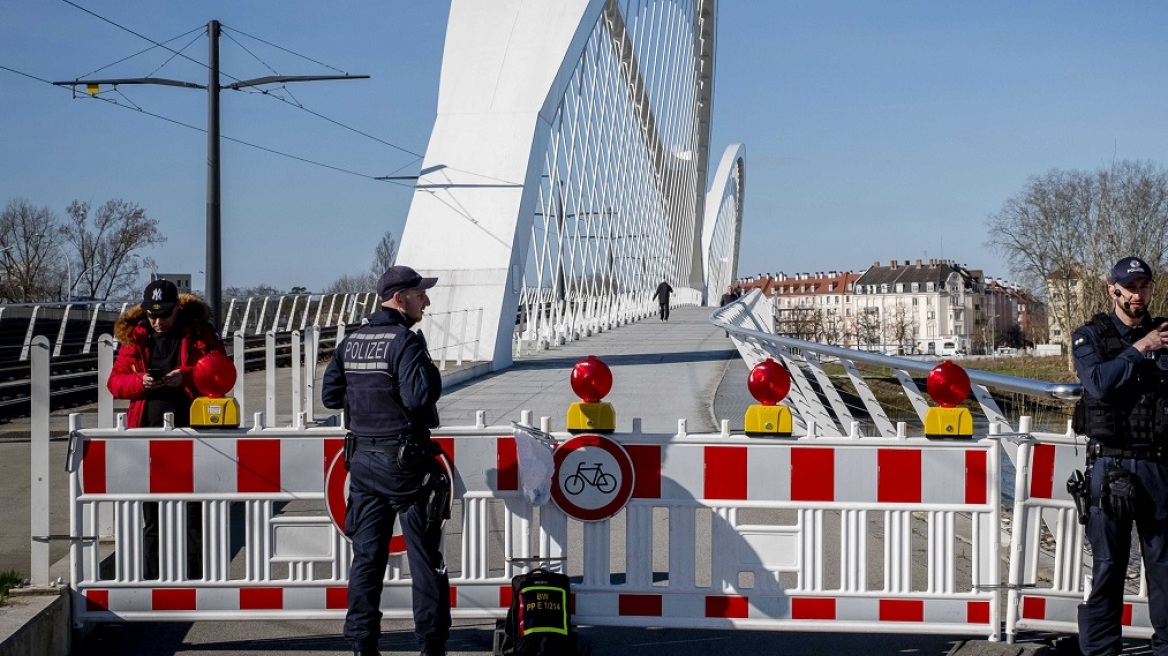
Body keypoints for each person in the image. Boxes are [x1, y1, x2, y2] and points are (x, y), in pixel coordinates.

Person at [322, 265, 449, 656]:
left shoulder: (351, 341)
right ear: (399, 298)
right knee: (424, 560)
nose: (426, 301)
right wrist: (427, 366)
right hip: (406, 467)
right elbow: (418, 397)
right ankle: (431, 645)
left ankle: (362, 644)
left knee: (367, 559)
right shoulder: (405, 342)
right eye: (420, 294)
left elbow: (330, 396)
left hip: (362, 464)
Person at [1072, 256, 1168, 656]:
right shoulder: (1090, 336)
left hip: (1157, 464)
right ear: (1113, 290)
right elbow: (1098, 383)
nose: (1137, 295)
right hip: (1109, 464)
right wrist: (1141, 348)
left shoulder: (1164, 333)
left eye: (1144, 286)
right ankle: (1101, 650)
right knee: (1109, 566)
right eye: (1130, 288)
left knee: (1164, 568)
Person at [107, 279, 225, 579]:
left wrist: (186, 376)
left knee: (194, 511)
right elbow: (115, 382)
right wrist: (140, 382)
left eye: (164, 315)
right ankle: (154, 579)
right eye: (152, 315)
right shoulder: (136, 337)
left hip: (194, 434)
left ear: (178, 309)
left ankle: (197, 579)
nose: (158, 322)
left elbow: (221, 371)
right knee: (153, 514)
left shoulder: (199, 332)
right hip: (148, 434)